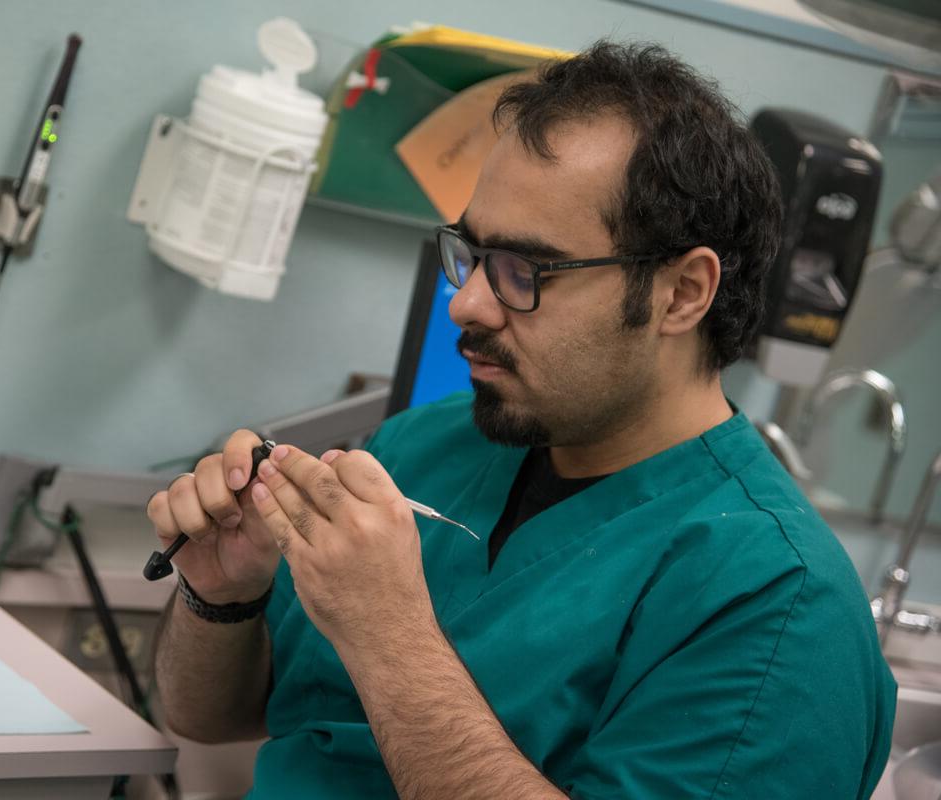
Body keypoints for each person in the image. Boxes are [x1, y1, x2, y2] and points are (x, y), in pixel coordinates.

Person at [147, 41, 896, 799]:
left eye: (524, 271)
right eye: (470, 256)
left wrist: (391, 639)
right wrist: (221, 593)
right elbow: (208, 716)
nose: (465, 304)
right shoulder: (426, 444)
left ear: (682, 293)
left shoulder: (778, 606)